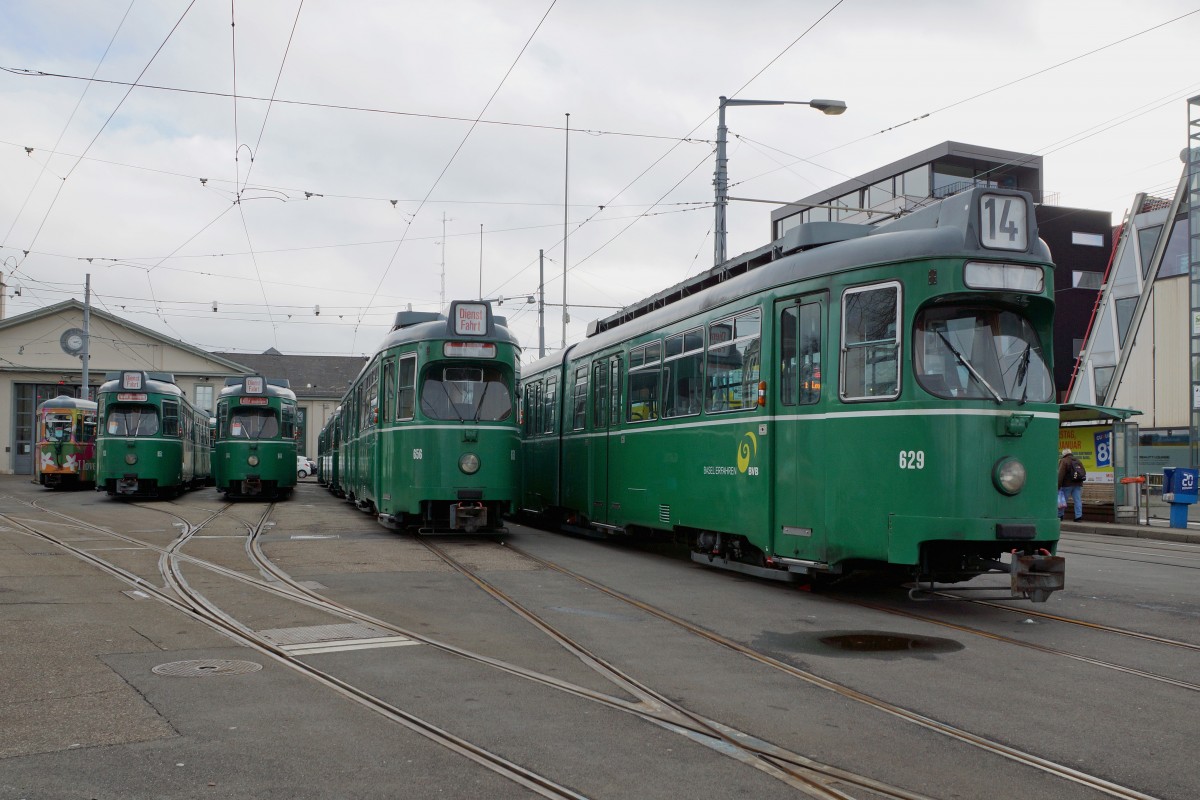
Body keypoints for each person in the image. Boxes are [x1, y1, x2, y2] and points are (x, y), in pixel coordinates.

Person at [1058, 448, 1085, 522]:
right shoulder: (1077, 460)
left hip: (1067, 484)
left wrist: (1058, 485)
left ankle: (1060, 515)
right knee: (1077, 500)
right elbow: (1083, 472)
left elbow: (1060, 474)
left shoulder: (1064, 461)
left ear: (1064, 454)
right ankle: (1078, 517)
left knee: (1063, 501)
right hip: (1078, 483)